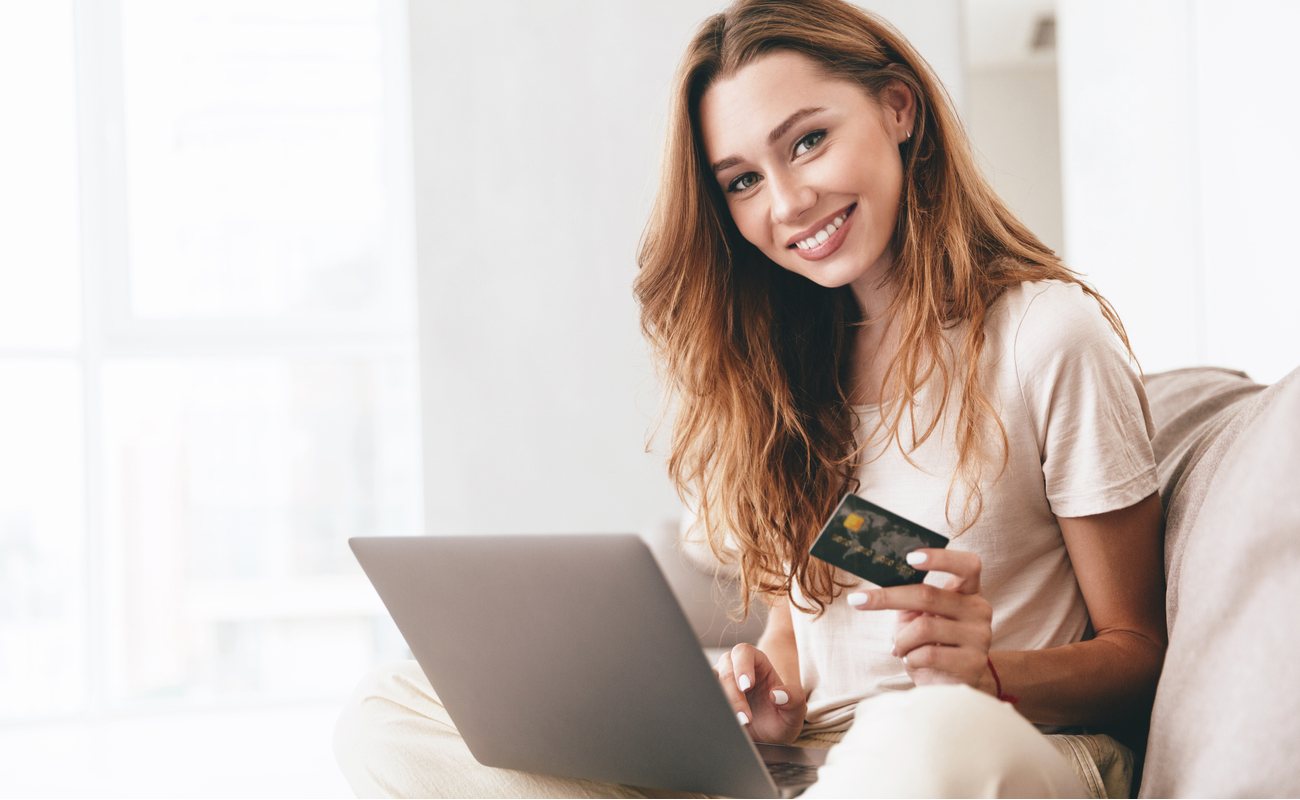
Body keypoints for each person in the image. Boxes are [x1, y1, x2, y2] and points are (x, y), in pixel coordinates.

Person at [333, 1, 1165, 797]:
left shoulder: (1045, 336)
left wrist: (988, 675)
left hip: (1000, 747)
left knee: (919, 734)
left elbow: (1138, 652)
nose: (787, 202)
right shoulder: (787, 374)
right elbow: (799, 632)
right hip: (817, 765)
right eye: (741, 182)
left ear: (899, 109)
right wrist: (773, 694)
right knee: (390, 713)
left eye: (807, 141)